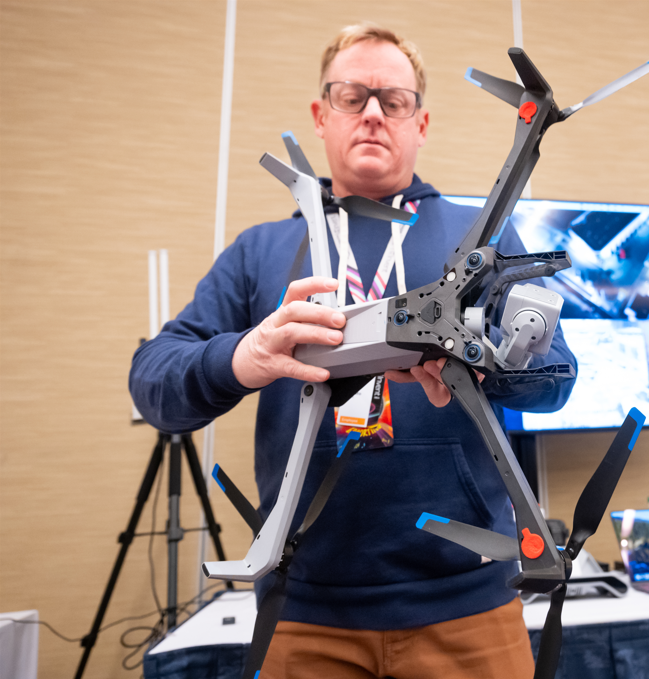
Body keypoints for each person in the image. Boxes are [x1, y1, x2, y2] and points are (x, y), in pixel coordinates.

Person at [129, 22, 576, 679]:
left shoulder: (480, 239)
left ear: (421, 123)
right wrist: (243, 356)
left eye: (393, 100)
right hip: (303, 612)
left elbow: (559, 376)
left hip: (470, 606)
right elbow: (153, 382)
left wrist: (483, 358)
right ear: (321, 115)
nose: (372, 113)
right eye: (351, 96)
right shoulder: (260, 251)